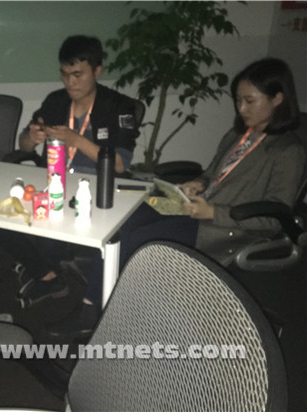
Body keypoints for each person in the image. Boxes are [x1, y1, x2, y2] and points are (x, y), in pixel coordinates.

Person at [48, 57, 306, 341]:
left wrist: (214, 212)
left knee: (143, 242)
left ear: (277, 98)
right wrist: (198, 184)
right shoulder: (238, 135)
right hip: (196, 210)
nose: (241, 108)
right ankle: (97, 304)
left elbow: (274, 218)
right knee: (123, 223)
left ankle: (105, 313)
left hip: (226, 226)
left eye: (250, 101)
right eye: (238, 100)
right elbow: (212, 174)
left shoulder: (287, 151)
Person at [0, 35, 142, 308]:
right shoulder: (55, 101)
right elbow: (24, 145)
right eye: (64, 74)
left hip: (94, 189)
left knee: (47, 232)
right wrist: (31, 137)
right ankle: (46, 273)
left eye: (77, 75)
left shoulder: (119, 106)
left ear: (97, 71)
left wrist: (77, 141)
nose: (69, 82)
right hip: (53, 180)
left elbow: (120, 164)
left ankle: (43, 269)